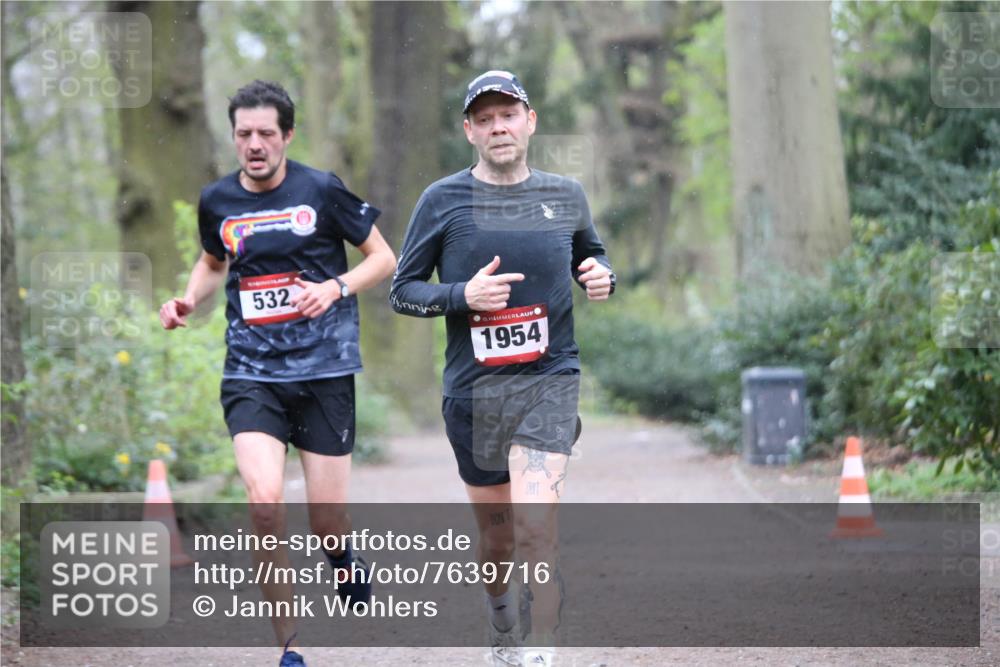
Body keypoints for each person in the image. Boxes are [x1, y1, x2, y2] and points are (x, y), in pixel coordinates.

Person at [159, 80, 396, 667]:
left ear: (287, 135)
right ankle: (288, 648)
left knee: (326, 522)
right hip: (251, 371)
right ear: (234, 138)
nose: (255, 144)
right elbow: (214, 261)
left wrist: (334, 287)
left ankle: (342, 560)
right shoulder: (216, 200)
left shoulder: (320, 190)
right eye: (244, 134)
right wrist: (189, 299)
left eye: (267, 133)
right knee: (264, 504)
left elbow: (383, 258)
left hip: (324, 371)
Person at [390, 70, 615, 667]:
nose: (498, 127)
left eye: (507, 115)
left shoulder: (566, 195)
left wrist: (601, 274)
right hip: (475, 393)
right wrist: (462, 296)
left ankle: (541, 648)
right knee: (498, 537)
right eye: (484, 119)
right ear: (469, 131)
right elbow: (402, 291)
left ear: (529, 120)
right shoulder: (442, 201)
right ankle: (501, 617)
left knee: (536, 519)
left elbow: (590, 253)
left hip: (550, 381)